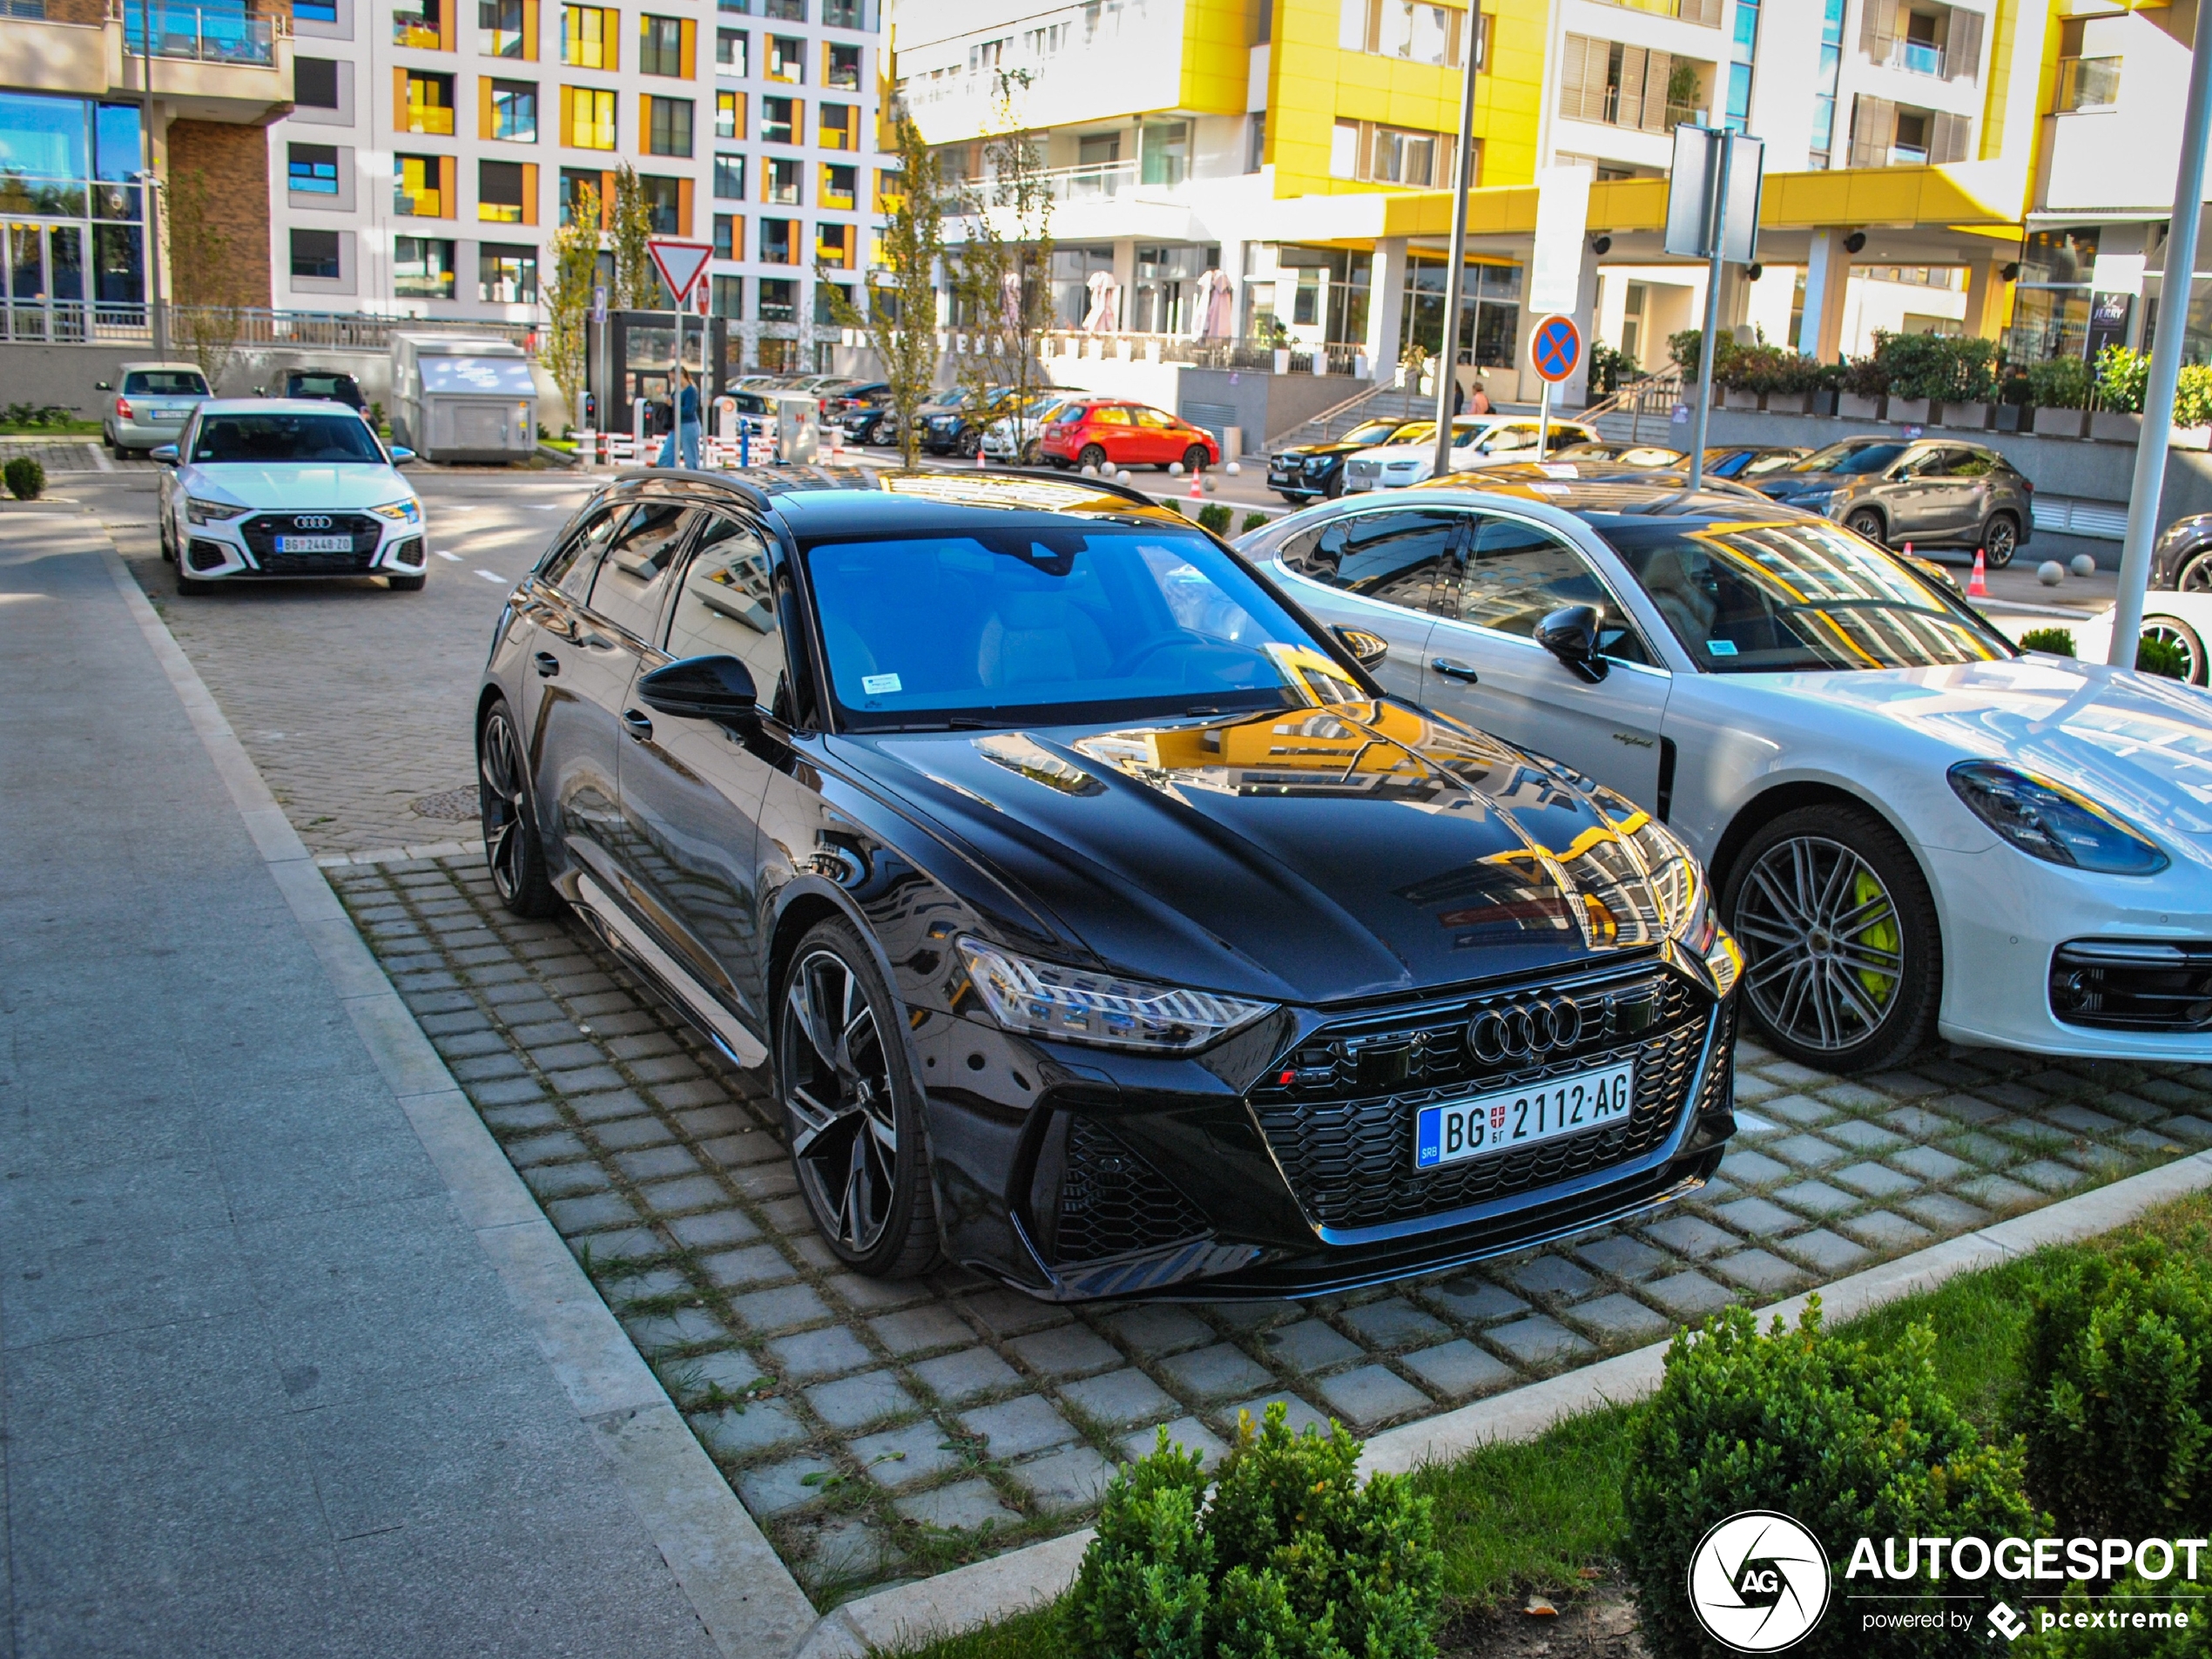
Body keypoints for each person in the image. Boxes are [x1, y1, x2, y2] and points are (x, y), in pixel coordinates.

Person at [657, 367, 701, 468]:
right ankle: (669, 474)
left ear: (680, 376)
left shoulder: (691, 391)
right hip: (676, 425)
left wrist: (672, 404)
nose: (672, 382)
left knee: (690, 456)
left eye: (673, 379)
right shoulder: (677, 390)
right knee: (666, 454)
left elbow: (689, 411)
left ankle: (693, 476)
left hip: (689, 426)